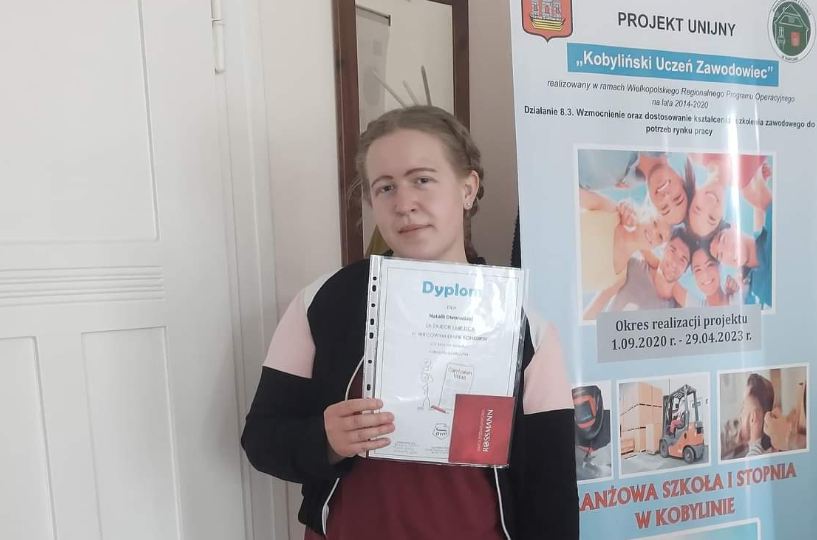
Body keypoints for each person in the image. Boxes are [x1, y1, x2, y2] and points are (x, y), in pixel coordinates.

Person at [241, 106, 579, 539]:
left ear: (468, 188)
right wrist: (324, 440)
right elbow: (262, 439)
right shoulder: (323, 301)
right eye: (385, 188)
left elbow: (551, 492)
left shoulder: (524, 324)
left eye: (422, 180)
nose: (404, 204)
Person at [579, 189, 671, 295]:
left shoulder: (619, 279)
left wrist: (645, 251)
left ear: (657, 246)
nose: (654, 233)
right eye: (654, 222)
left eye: (660, 237)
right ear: (645, 211)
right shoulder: (610, 211)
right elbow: (571, 193)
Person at [708, 162, 773, 307]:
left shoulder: (773, 235)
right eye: (720, 255)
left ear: (734, 226)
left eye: (723, 239)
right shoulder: (749, 292)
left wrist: (759, 191)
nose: (727, 252)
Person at [577, 150, 695, 225]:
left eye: (664, 207)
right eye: (677, 198)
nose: (666, 197)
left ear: (653, 205)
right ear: (681, 179)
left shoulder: (611, 178)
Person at [738, 373, 775, 457]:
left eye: (743, 408)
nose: (740, 416)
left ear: (753, 418)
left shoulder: (752, 458)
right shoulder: (772, 449)